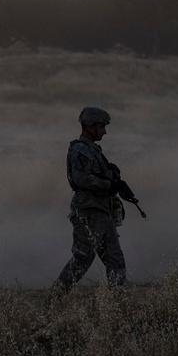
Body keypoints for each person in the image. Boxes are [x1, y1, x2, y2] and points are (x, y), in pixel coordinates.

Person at [53, 106, 128, 292]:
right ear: (89, 126)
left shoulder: (94, 150)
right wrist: (107, 184)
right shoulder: (80, 150)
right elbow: (81, 179)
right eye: (101, 127)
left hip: (101, 212)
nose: (104, 131)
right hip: (88, 213)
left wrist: (113, 179)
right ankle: (55, 299)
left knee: (115, 259)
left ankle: (119, 305)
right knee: (82, 259)